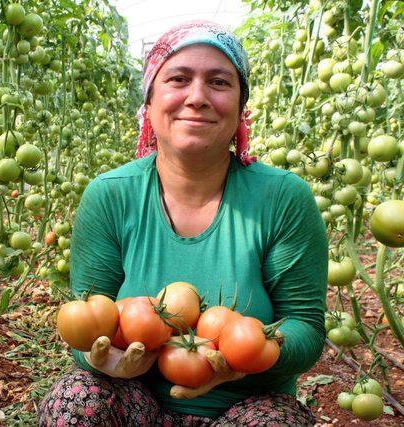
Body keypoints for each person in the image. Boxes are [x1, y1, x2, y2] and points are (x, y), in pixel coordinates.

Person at [38, 20, 328, 426]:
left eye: (219, 83)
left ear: (241, 107)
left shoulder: (282, 198)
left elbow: (307, 326)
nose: (197, 97)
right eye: (178, 79)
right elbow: (84, 320)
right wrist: (101, 357)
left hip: (246, 408)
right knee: (76, 397)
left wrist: (256, 354)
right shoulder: (111, 195)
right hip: (135, 400)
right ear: (150, 102)